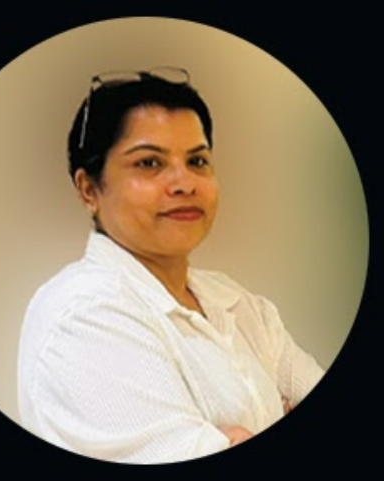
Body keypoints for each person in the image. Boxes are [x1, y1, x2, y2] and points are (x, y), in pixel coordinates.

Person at [17, 67, 325, 464]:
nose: (185, 183)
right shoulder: (85, 316)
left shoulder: (238, 304)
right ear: (89, 189)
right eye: (149, 163)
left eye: (197, 160)